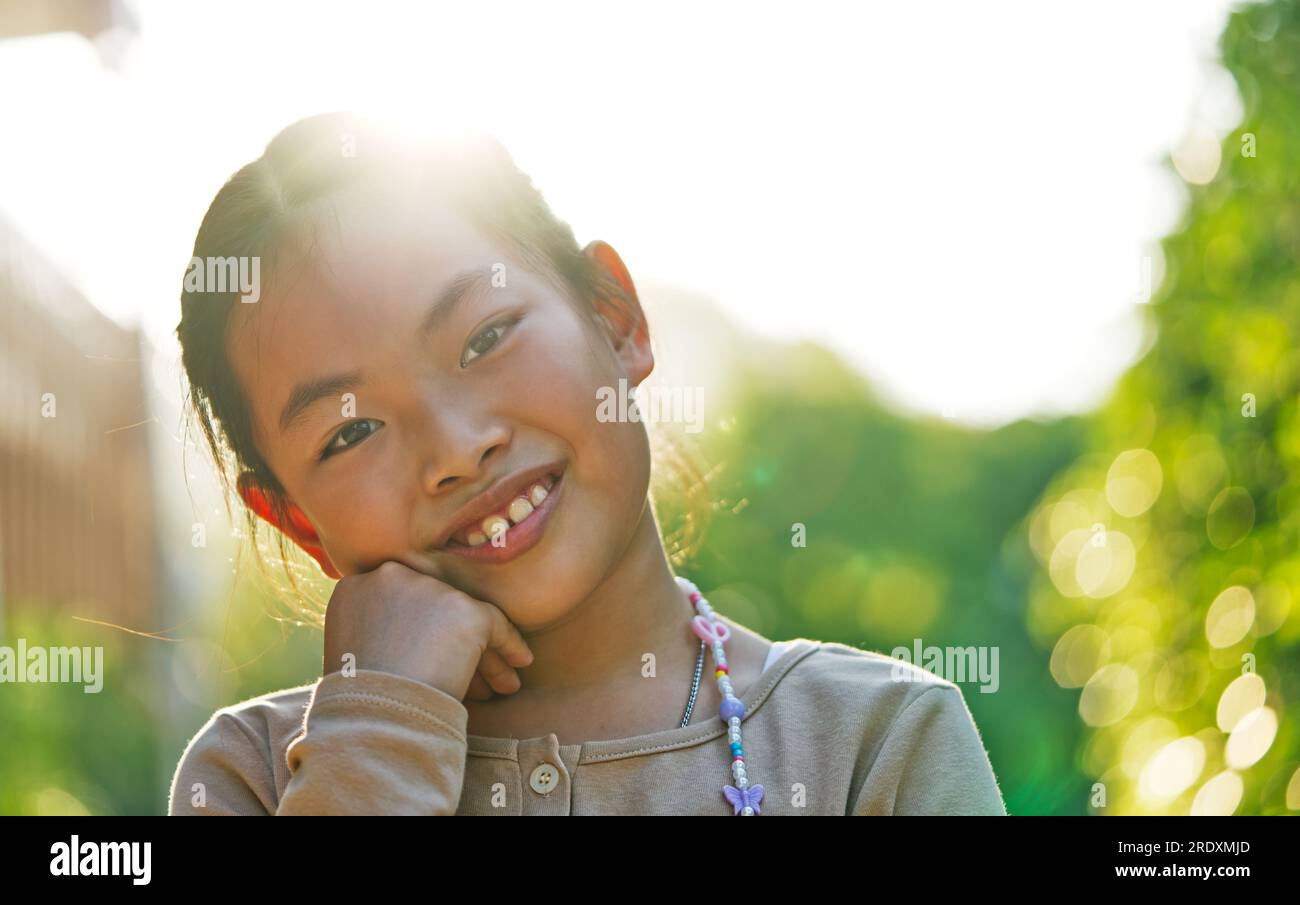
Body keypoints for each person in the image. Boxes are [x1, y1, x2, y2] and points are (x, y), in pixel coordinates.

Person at [167, 112, 1006, 815]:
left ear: (615, 319)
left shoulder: (875, 741)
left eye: (485, 337)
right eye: (350, 432)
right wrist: (381, 737)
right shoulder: (256, 777)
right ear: (299, 520)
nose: (457, 448)